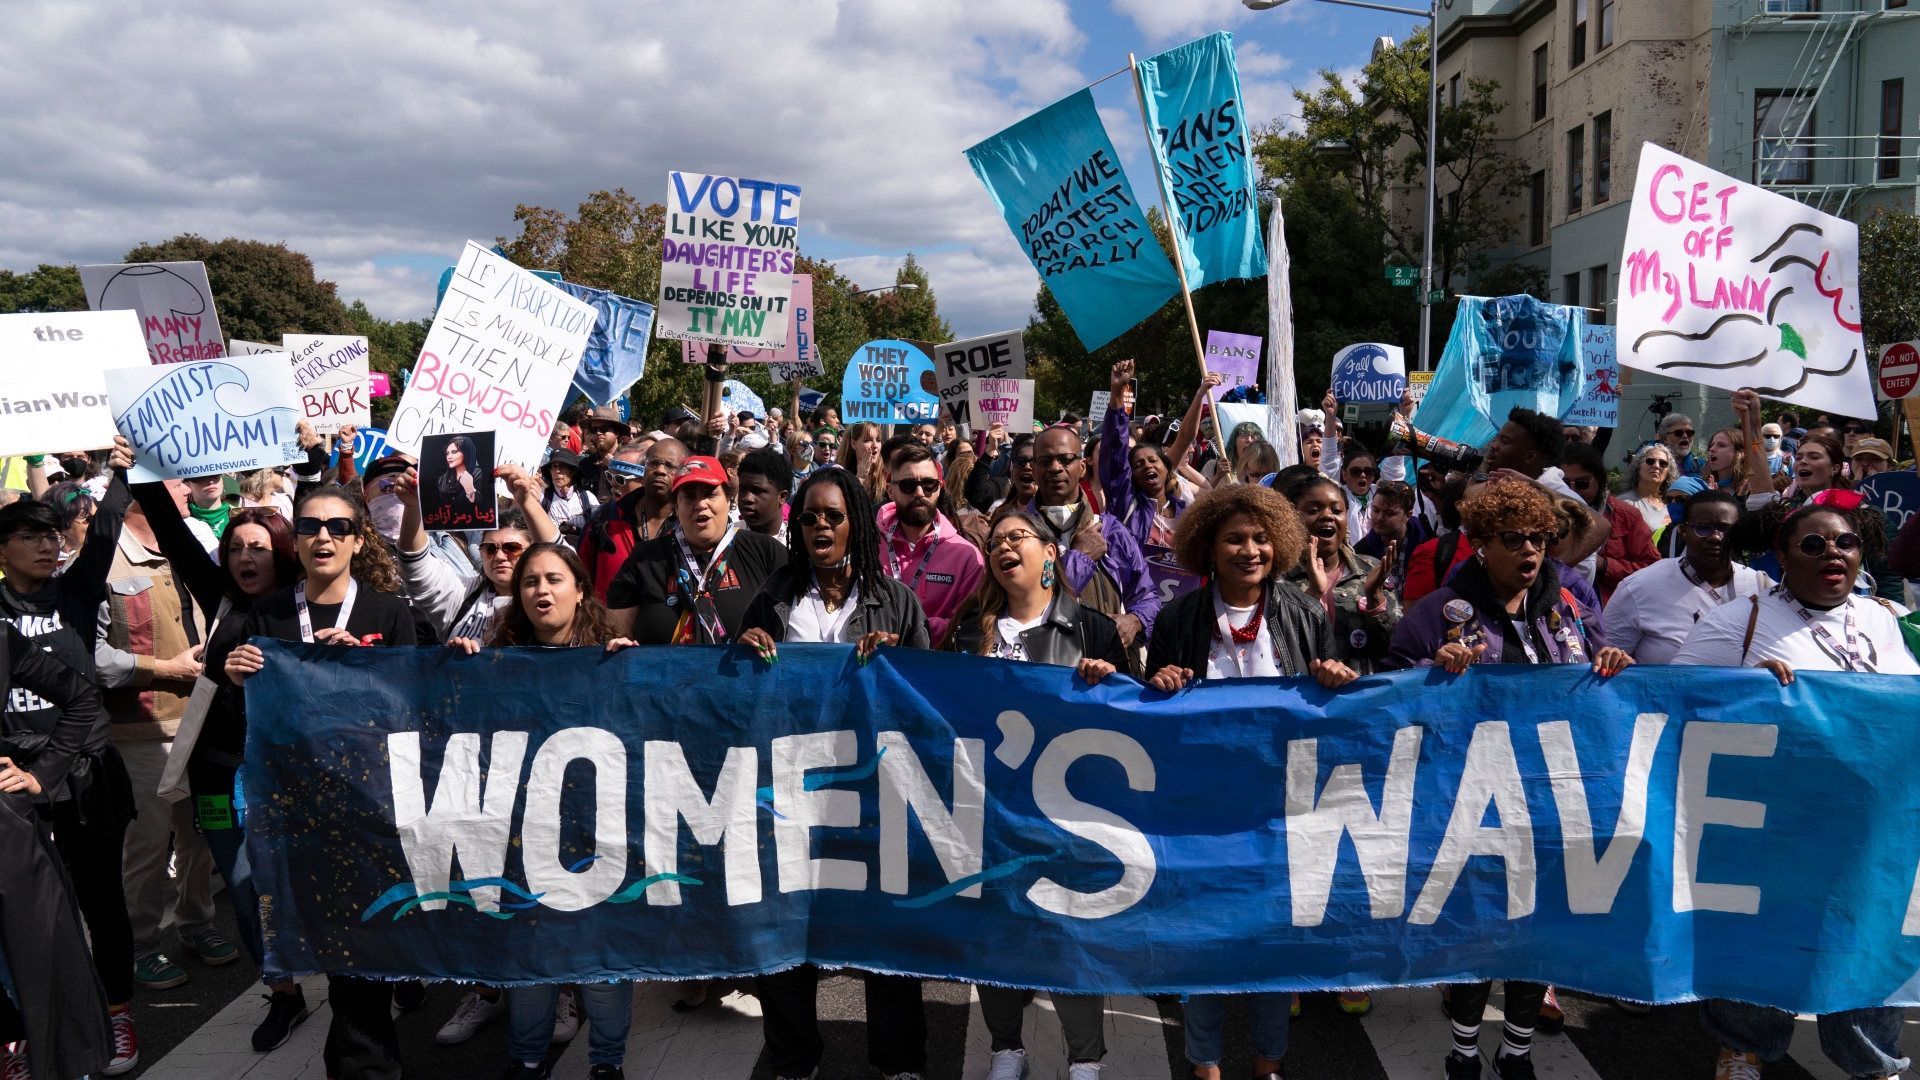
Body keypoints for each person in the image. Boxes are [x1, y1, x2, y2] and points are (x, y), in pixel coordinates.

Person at [1384, 480, 1630, 1080]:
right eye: (1513, 540)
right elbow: (1384, 695)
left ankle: (1515, 1050)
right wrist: (1431, 669)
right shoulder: (1437, 611)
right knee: (1478, 934)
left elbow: (1607, 676)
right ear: (1479, 544)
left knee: (1539, 935)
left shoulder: (1569, 607)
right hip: (1469, 805)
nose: (1530, 551)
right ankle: (1464, 1051)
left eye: (1540, 540)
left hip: (1554, 801)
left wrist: (1614, 662)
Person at [1674, 503, 1915, 1080]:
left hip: (1871, 825)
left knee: (1868, 935)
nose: (1833, 553)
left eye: (1846, 543)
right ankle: (1743, 1045)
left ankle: (1872, 1060)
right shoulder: (1741, 621)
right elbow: (1677, 698)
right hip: (1773, 822)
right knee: (1763, 934)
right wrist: (1744, 691)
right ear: (1780, 557)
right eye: (1813, 545)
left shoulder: (1888, 615)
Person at [1143, 484, 1356, 1080]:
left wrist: (1339, 676)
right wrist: (1158, 681)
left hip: (1283, 810)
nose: (1250, 550)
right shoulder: (1179, 617)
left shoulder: (1307, 613)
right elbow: (1145, 712)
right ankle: (1205, 1063)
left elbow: (1331, 712)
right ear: (1207, 547)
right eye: (1234, 538)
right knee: (1205, 939)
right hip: (1202, 809)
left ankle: (1268, 1064)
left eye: (1262, 538)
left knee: (1272, 944)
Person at [731, 469, 934, 1080]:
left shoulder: (895, 599)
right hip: (793, 788)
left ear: (856, 527)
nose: (821, 526)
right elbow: (746, 694)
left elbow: (927, 694)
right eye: (811, 517)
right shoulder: (774, 594)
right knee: (787, 927)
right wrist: (745, 647)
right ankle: (793, 1058)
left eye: (834, 516)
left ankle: (898, 1061)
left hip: (872, 791)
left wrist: (896, 659)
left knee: (883, 927)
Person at [220, 488, 420, 1080]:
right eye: (311, 526)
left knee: (367, 950)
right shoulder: (270, 614)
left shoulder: (388, 612)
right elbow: (250, 726)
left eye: (338, 526)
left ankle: (364, 1059)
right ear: (298, 541)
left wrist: (363, 670)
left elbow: (414, 712)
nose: (324, 536)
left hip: (374, 809)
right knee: (344, 952)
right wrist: (237, 682)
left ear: (359, 540)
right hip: (301, 813)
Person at [441, 543, 636, 1080]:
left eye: (554, 579)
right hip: (523, 838)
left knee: (603, 963)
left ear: (579, 588)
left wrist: (635, 669)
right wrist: (458, 672)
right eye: (530, 582)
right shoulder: (493, 660)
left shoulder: (615, 657)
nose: (542, 591)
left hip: (601, 838)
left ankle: (606, 1065)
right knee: (529, 958)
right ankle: (526, 1061)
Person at [942, 509, 1124, 1080]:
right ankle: (1006, 1049)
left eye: (1016, 537)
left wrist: (1108, 683)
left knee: (1065, 936)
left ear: (1051, 553)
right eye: (994, 541)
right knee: (994, 935)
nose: (1002, 547)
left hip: (1066, 814)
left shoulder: (1091, 627)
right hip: (987, 812)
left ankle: (1085, 1059)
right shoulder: (969, 629)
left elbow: (1137, 722)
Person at [0, 441, 143, 1077]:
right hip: (14, 786)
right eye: (29, 536)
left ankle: (115, 1013)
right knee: (17, 922)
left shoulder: (77, 589)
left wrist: (120, 468)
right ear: (2, 549)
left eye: (53, 535)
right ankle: (20, 1037)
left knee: (101, 902)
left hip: (85, 776)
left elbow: (108, 523)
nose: (47, 545)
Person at [99, 480, 232, 993]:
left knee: (199, 836)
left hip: (202, 721)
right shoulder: (104, 560)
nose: (194, 484)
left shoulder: (197, 546)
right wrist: (160, 669)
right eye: (180, 478)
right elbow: (89, 657)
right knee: (148, 846)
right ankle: (142, 943)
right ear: (141, 491)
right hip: (141, 732)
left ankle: (196, 924)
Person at [0, 618, 117, 1080]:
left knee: (38, 965)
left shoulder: (2, 637)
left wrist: (41, 776)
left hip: (8, 836)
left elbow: (83, 697)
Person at [604, 456, 788, 645]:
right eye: (689, 496)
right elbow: (614, 634)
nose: (700, 504)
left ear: (728, 500)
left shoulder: (767, 551)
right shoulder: (644, 559)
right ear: (676, 507)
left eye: (710, 494)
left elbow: (797, 630)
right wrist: (619, 645)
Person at [1028, 426, 1160, 654]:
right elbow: (1029, 606)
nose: (1055, 468)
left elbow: (1147, 596)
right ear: (1034, 468)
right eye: (1045, 460)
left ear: (1081, 467)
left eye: (1065, 459)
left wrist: (1134, 620)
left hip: (1108, 670)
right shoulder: (1017, 533)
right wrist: (1081, 558)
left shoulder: (1112, 531)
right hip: (1046, 668)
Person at [397, 463, 561, 646]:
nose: (499, 556)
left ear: (533, 551)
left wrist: (527, 502)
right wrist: (414, 506)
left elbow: (562, 560)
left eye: (512, 548)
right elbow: (414, 566)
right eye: (490, 549)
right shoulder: (462, 595)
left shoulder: (551, 598)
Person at [1604, 489, 1772, 665]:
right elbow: (1607, 658)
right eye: (1703, 528)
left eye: (1725, 529)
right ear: (1683, 531)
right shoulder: (1638, 587)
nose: (1715, 537)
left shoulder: (1761, 587)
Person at [1282, 474, 1401, 682]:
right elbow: (1278, 646)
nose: (1327, 516)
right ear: (1291, 518)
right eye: (1313, 510)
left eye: (1336, 511)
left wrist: (1375, 598)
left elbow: (1393, 648)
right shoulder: (1278, 579)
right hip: (1301, 697)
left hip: (1359, 697)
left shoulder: (1370, 569)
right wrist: (1312, 596)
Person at [876, 442, 985, 646]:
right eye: (908, 485)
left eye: (929, 485)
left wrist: (908, 631)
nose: (919, 493)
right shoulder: (869, 547)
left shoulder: (967, 556)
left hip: (938, 669)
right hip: (875, 665)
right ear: (890, 491)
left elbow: (966, 626)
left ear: (939, 489)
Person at [1100, 360, 1214, 550]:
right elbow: (1114, 450)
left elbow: (1186, 437)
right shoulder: (1127, 505)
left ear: (1166, 466)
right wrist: (1117, 391)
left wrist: (1200, 393)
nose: (1147, 465)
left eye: (1153, 460)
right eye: (1138, 465)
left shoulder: (1185, 513)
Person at [581, 439, 686, 599]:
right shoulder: (606, 515)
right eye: (654, 463)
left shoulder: (690, 523)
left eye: (670, 466)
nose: (660, 470)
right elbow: (579, 572)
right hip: (606, 622)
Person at [1557, 441, 1660, 604]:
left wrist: (1603, 566)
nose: (1572, 491)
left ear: (1600, 482)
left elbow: (1653, 571)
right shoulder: (1543, 514)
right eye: (1564, 484)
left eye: (1582, 484)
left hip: (1609, 614)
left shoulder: (1627, 516)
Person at [1356, 480, 1429, 593]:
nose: (1379, 518)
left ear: (1407, 516)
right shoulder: (1361, 551)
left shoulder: (1427, 547)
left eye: (1389, 513)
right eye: (1375, 510)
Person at [539, 448, 599, 547]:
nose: (557, 471)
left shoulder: (588, 497)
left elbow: (597, 529)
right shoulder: (541, 496)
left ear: (574, 470)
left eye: (562, 466)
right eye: (554, 466)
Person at [736, 447, 794, 544]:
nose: (747, 498)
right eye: (742, 489)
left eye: (757, 491)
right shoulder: (725, 539)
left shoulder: (797, 544)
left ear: (782, 497)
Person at [576, 404, 632, 499]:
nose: (598, 433)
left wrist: (615, 465)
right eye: (593, 429)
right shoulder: (583, 465)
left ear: (617, 432)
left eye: (604, 428)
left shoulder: (630, 460)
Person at [1619, 444, 1676, 535]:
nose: (1656, 466)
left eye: (1663, 463)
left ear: (1668, 472)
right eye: (1650, 461)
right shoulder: (1624, 503)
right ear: (1638, 468)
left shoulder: (1673, 502)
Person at [436, 434, 486, 518]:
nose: (449, 457)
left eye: (454, 452)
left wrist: (470, 489)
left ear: (466, 453)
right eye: (447, 453)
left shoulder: (478, 475)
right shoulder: (442, 480)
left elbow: (483, 507)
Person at [837, 421, 887, 504]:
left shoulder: (886, 473)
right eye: (867, 440)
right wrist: (860, 478)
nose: (875, 445)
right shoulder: (841, 475)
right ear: (853, 444)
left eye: (878, 440)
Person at [1658, 413, 1704, 477]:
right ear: (1665, 439)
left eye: (1689, 432)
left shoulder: (1702, 465)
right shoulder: (1654, 465)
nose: (1685, 436)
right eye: (1678, 433)